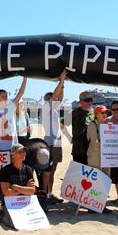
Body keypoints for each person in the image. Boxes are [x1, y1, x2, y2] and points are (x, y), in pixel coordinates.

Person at [0, 143, 37, 229]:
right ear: (13, 154)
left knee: (33, 221)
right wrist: (25, 188)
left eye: (24, 151)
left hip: (24, 202)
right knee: (16, 224)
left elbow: (32, 191)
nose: (23, 154)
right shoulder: (5, 170)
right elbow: (7, 193)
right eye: (20, 152)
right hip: (10, 203)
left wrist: (16, 187)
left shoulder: (28, 169)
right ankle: (2, 215)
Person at [0, 75, 27, 153]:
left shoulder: (11, 107)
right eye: (3, 96)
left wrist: (25, 79)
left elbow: (21, 93)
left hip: (12, 148)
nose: (5, 98)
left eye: (6, 96)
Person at [42, 70, 65, 204]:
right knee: (48, 169)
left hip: (56, 142)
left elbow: (60, 97)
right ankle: (46, 194)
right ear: (47, 99)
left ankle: (49, 193)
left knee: (54, 169)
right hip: (49, 142)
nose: (55, 99)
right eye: (52, 98)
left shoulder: (54, 109)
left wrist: (63, 84)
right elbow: (57, 96)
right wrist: (61, 81)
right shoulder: (45, 107)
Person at [85, 105, 113, 214]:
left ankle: (101, 204)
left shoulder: (107, 125)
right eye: (102, 113)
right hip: (95, 155)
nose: (105, 114)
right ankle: (92, 205)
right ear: (96, 114)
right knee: (95, 180)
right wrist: (107, 144)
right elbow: (94, 143)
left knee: (106, 180)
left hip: (106, 155)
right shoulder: (92, 125)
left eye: (106, 112)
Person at [67, 90, 94, 165]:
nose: (89, 102)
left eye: (90, 100)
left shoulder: (95, 113)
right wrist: (69, 137)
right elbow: (62, 124)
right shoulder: (74, 113)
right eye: (87, 100)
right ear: (81, 101)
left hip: (92, 150)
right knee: (79, 173)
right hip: (78, 150)